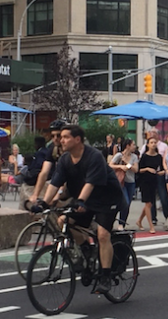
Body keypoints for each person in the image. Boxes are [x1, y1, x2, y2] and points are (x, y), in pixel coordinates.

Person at [33, 125, 126, 294]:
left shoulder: (94, 156)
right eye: (61, 137)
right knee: (63, 221)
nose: (61, 140)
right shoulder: (64, 160)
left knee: (103, 235)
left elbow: (90, 183)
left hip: (107, 199)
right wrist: (44, 203)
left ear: (77, 140)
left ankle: (105, 276)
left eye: (66, 137)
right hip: (86, 200)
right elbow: (54, 183)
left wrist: (81, 201)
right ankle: (86, 249)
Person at [28, 120, 67, 207]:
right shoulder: (52, 149)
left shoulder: (69, 150)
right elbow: (44, 173)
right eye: (52, 136)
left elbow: (67, 177)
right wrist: (35, 195)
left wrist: (57, 195)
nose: (55, 138)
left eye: (58, 135)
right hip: (59, 182)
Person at [136, 137, 164, 234]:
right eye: (151, 142)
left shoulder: (159, 157)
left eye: (155, 142)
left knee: (150, 204)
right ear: (147, 145)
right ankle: (151, 226)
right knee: (148, 204)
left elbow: (163, 168)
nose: (153, 144)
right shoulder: (144, 156)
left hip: (154, 181)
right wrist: (147, 169)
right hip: (144, 181)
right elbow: (139, 170)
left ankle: (139, 220)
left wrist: (161, 172)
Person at [110, 139, 138, 228]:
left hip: (130, 182)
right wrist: (121, 166)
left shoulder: (134, 157)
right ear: (128, 146)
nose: (134, 146)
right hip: (120, 182)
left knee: (128, 204)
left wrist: (126, 163)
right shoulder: (119, 155)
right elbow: (110, 165)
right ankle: (113, 221)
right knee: (124, 202)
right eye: (133, 144)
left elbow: (135, 169)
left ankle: (122, 223)